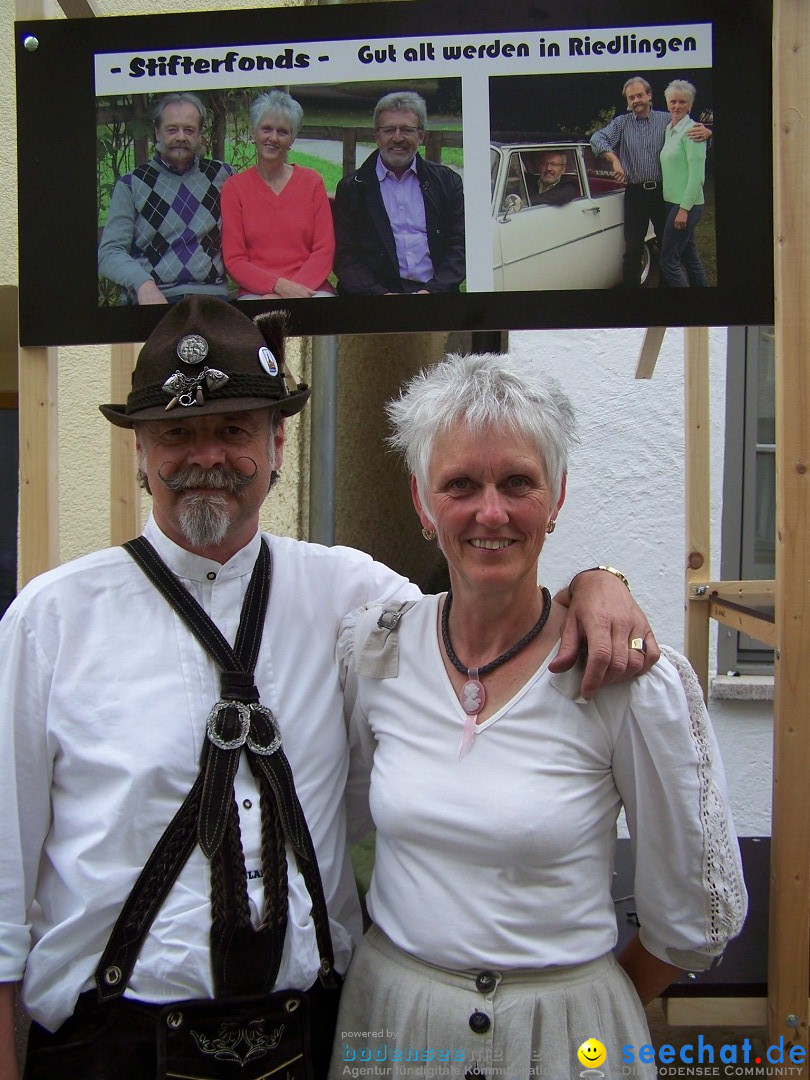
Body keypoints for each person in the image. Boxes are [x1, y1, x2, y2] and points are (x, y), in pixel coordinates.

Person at [0, 297, 660, 1080]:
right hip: (109, 1049)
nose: (205, 454)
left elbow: (488, 605)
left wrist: (595, 581)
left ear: (278, 446)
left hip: (307, 1041)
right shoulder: (53, 618)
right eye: (177, 432)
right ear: (141, 453)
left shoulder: (356, 599)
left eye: (235, 429)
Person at [329, 353, 747, 1079]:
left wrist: (574, 1008)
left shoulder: (622, 676)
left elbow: (691, 916)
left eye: (518, 482)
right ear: (423, 504)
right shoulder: (376, 644)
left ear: (556, 498)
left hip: (568, 1037)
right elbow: (343, 810)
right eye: (460, 484)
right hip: (393, 1026)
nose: (491, 512)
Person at [98, 93, 233, 305]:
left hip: (211, 298)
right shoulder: (132, 184)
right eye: (172, 129)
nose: (181, 137)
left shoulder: (222, 176)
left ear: (199, 135)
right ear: (157, 133)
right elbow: (110, 252)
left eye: (189, 130)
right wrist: (142, 283)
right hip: (157, 297)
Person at [333, 91, 465, 295]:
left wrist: (433, 292)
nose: (397, 138)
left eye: (406, 130)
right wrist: (381, 296)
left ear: (421, 135)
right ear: (377, 136)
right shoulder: (352, 189)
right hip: (375, 299)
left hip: (434, 296)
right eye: (388, 130)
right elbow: (345, 257)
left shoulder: (448, 183)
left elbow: (460, 246)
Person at [590, 76, 711, 286]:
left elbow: (693, 140)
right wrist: (614, 160)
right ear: (627, 101)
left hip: (663, 194)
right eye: (631, 97)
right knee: (633, 249)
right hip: (635, 194)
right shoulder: (622, 123)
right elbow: (596, 139)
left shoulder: (667, 119)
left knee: (667, 247)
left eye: (639, 95)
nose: (636, 100)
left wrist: (708, 133)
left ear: (649, 96)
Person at [221, 90, 335, 300]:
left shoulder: (312, 182)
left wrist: (291, 292)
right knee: (258, 317)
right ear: (254, 133)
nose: (273, 138)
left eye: (282, 132)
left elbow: (324, 250)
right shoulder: (234, 188)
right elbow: (234, 259)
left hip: (310, 287)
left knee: (324, 311)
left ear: (291, 139)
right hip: (257, 292)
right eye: (266, 129)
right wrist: (276, 287)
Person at [658, 80, 708, 288]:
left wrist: (684, 209)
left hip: (685, 205)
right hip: (673, 203)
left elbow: (697, 176)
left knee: (668, 260)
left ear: (690, 106)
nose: (677, 106)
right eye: (673, 102)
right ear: (667, 104)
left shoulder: (693, 131)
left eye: (682, 102)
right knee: (689, 255)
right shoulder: (670, 129)